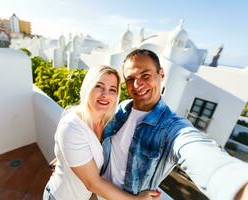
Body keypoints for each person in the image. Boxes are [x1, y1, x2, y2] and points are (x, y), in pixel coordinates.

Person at [100, 49, 248, 200]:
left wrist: (238, 184)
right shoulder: (121, 108)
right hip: (99, 192)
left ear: (161, 74)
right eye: (130, 79)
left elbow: (198, 152)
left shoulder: (172, 127)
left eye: (145, 75)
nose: (137, 85)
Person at [44, 65, 160, 200]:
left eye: (112, 89)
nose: (105, 94)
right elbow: (93, 184)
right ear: (88, 87)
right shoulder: (72, 127)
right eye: (99, 86)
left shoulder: (108, 121)